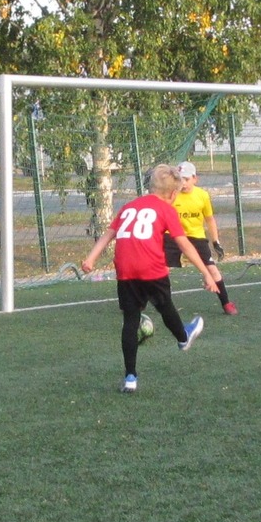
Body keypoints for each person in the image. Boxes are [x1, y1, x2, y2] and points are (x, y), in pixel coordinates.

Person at [82, 163, 218, 393]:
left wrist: (90, 259)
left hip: (125, 269)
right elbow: (184, 244)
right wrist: (206, 273)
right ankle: (183, 337)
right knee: (165, 307)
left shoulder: (128, 207)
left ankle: (130, 377)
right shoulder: (166, 209)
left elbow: (109, 234)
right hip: (151, 267)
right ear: (173, 194)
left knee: (130, 321)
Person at [164, 161, 238, 315]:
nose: (183, 183)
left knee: (212, 270)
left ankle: (226, 303)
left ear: (195, 179)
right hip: (172, 236)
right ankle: (146, 301)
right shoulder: (171, 195)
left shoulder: (202, 195)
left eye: (186, 179)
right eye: (179, 179)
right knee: (160, 270)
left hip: (196, 237)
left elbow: (210, 220)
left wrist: (216, 241)